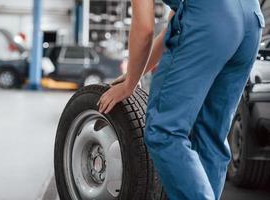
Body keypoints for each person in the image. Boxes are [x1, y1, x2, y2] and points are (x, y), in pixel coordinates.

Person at [97, 0, 265, 199]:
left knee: (164, 130)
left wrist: (129, 85)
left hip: (210, 19)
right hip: (250, 21)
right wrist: (137, 73)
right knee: (210, 135)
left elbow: (144, 29)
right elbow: (172, 23)